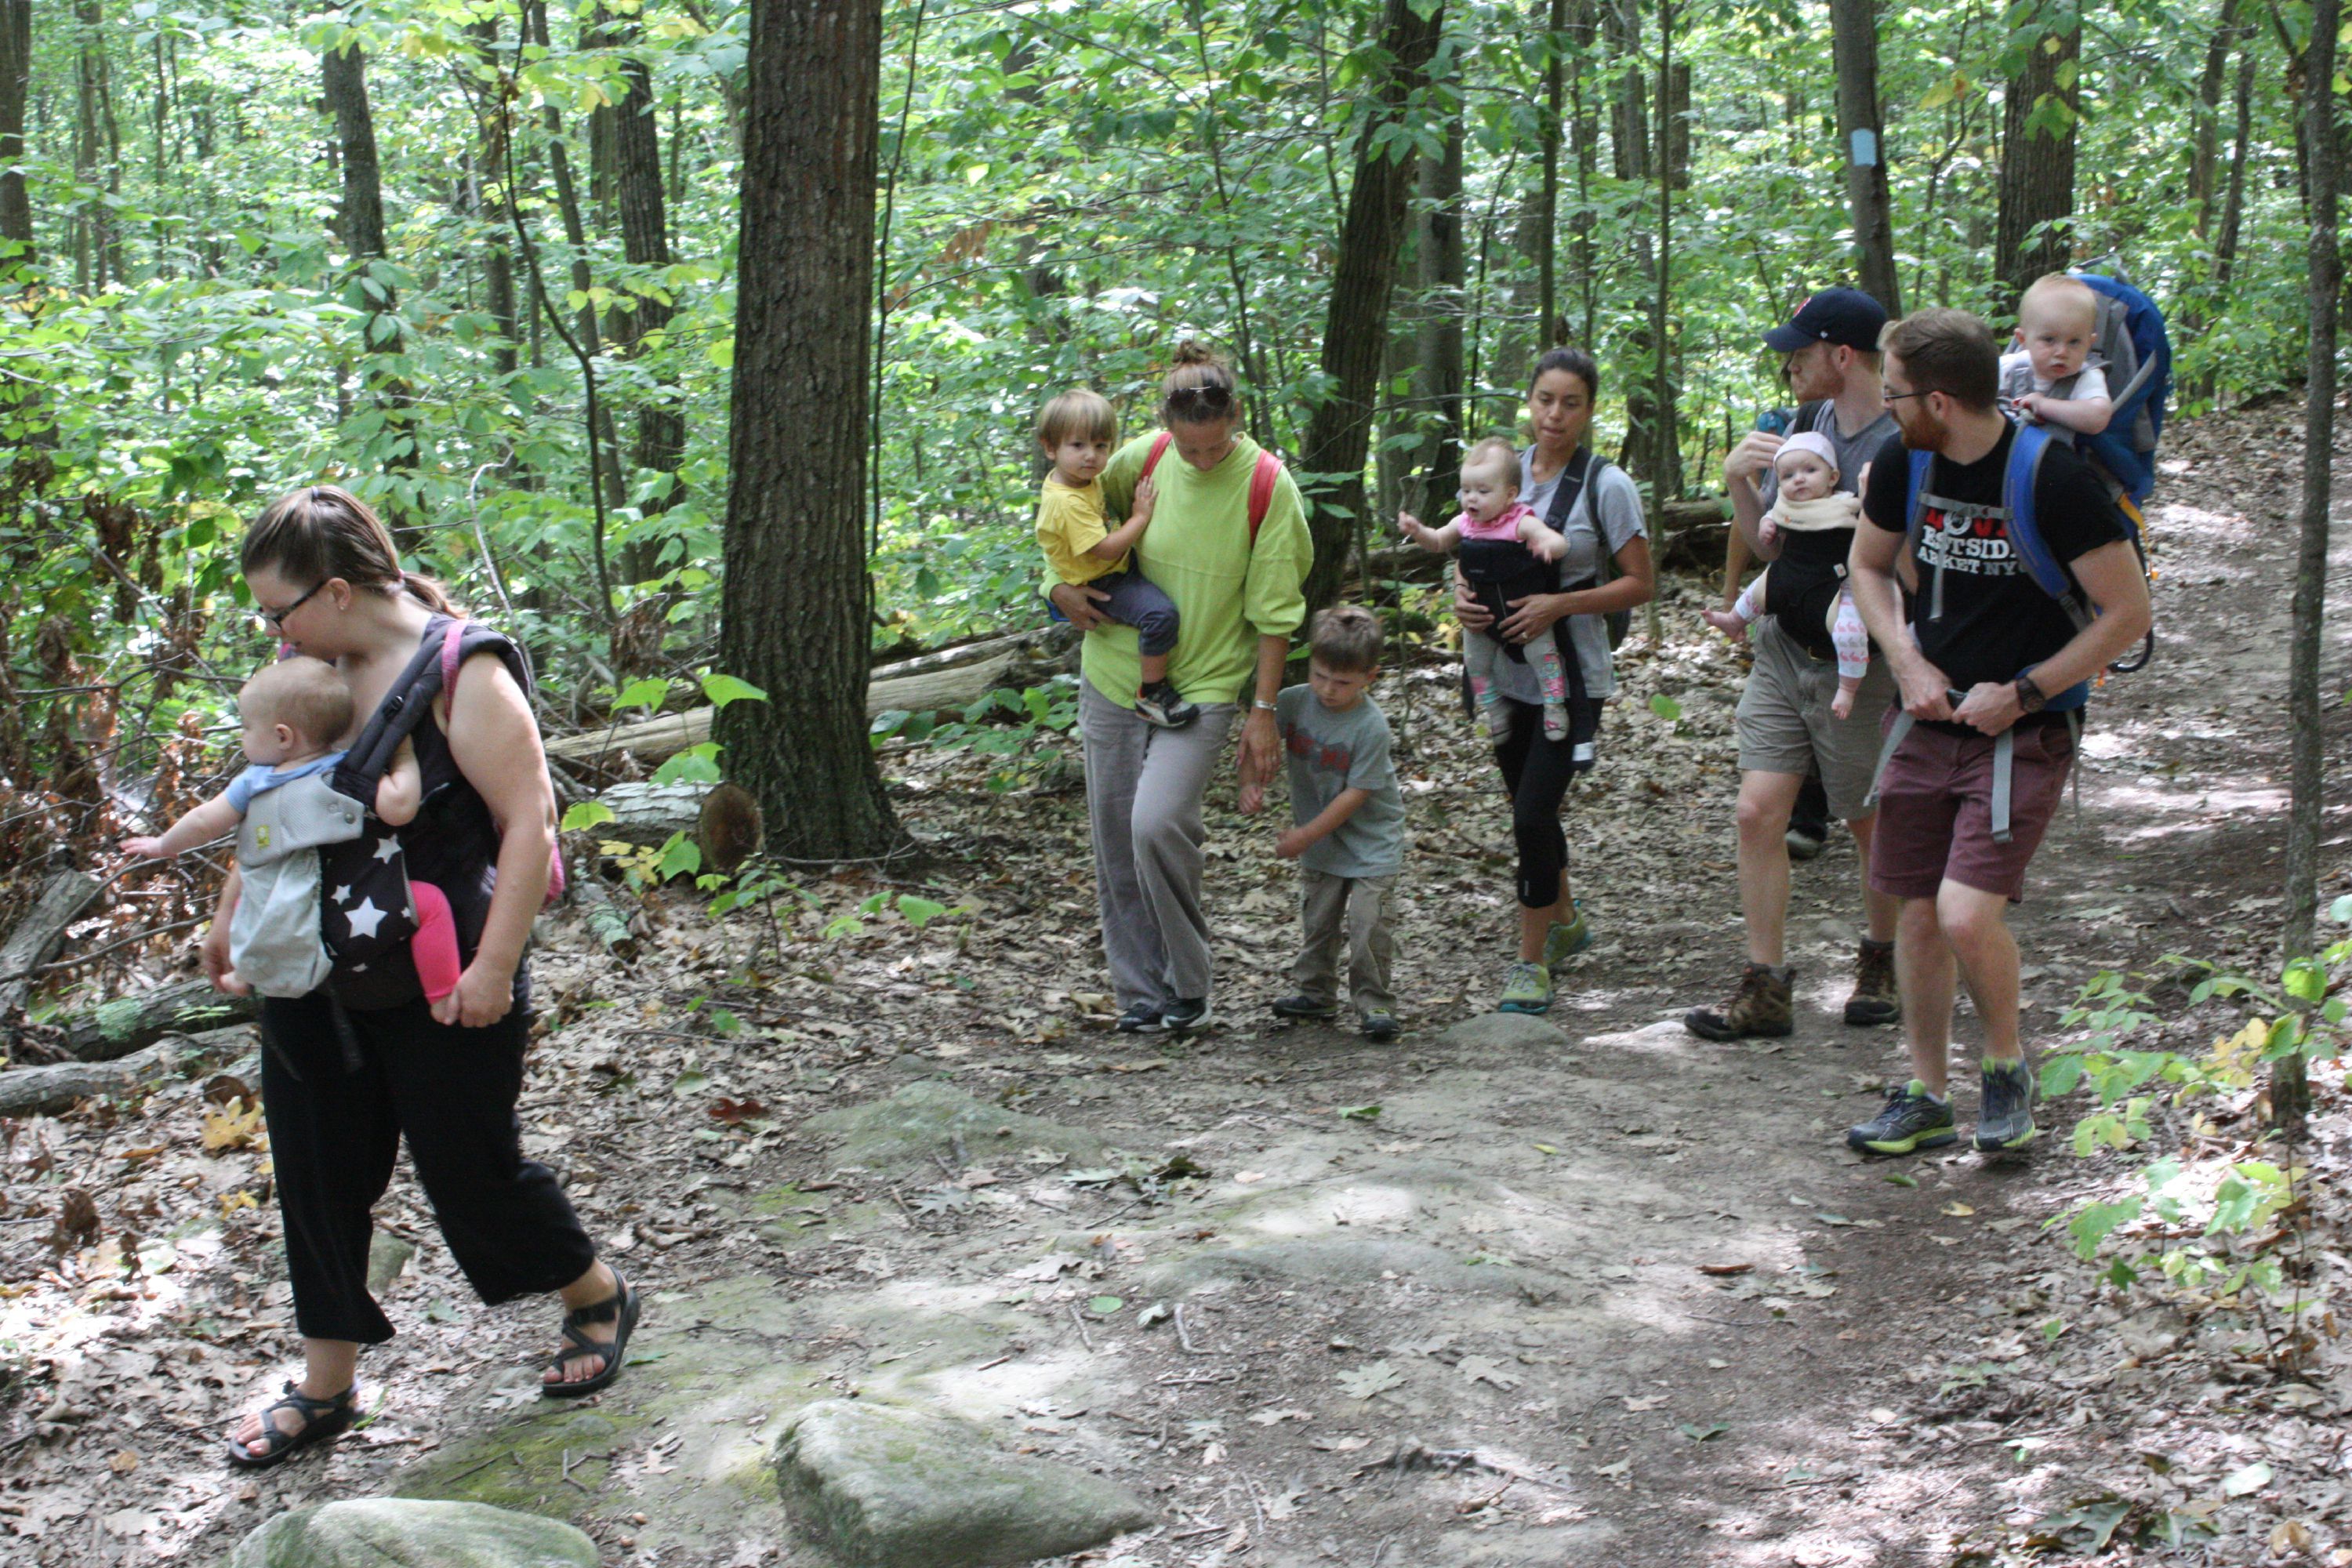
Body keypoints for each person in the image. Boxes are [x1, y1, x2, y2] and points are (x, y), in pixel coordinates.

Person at [212, 486, 633, 1470]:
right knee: (318, 1180)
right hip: (315, 976)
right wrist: (230, 909)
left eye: (280, 609)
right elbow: (280, 798)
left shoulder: (463, 669)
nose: (273, 630)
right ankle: (326, 1384)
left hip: (445, 973)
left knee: (470, 1173)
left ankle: (593, 1290)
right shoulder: (309, 667)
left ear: (343, 590)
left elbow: (530, 823)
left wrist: (494, 968)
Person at [1842, 309, 2150, 1156]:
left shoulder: (2053, 478)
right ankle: (1927, 1092)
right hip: (1926, 720)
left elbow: (2128, 613)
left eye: (1896, 390)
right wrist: (1904, 658)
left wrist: (2024, 691)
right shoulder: (1906, 457)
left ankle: (2006, 1071)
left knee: (1965, 914)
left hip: (2025, 730)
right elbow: (1868, 566)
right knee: (1915, 913)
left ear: (1938, 400)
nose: (1886, 405)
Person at [1049, 343, 1312, 1034]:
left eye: (1212, 448)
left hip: (1203, 686)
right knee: (1114, 839)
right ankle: (1142, 996)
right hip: (1113, 672)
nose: (1199, 460)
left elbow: (1277, 612)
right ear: (1169, 426)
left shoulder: (1267, 485)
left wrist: (1262, 711)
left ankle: (1188, 985)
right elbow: (1066, 525)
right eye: (1188, 449)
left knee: (1157, 822)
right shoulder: (1143, 455)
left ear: (1235, 420)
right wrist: (1056, 591)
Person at [1687, 286, 1903, 1041]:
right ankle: (1764, 985)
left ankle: (1884, 958)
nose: (1789, 370)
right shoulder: (1803, 430)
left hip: (1859, 660)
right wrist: (1741, 481)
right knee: (1756, 811)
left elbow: (1908, 567)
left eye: (1800, 355)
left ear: (1842, 356)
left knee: (1866, 817)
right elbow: (1772, 542)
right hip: (1783, 647)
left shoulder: (1900, 441)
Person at [1432, 347, 1653, 1016]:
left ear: (1590, 410)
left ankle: (1531, 964)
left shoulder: (1605, 485)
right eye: (1545, 400)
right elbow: (1470, 546)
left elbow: (1642, 583)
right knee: (1532, 814)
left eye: (1572, 403)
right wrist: (1461, 598)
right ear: (1529, 401)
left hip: (1571, 677)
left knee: (1532, 813)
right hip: (1501, 672)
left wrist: (1559, 605)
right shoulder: (1499, 470)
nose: (1555, 415)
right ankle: (1565, 920)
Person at [122, 659, 458, 1002]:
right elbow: (400, 807)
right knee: (431, 905)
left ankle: (248, 974)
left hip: (285, 919)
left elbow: (204, 821)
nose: (242, 736)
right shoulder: (351, 771)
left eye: (247, 727)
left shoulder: (255, 783)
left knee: (249, 903)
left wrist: (164, 844)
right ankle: (443, 994)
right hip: (357, 912)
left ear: (283, 736)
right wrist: (403, 755)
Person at [1244, 605, 1406, 1041]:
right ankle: (1315, 993)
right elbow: (1255, 738)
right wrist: (1249, 783)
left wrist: (1304, 835)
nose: (1328, 689)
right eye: (1320, 675)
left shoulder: (1370, 726)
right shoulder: (1295, 702)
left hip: (1371, 842)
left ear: (1370, 677)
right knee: (1318, 919)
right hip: (1322, 844)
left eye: (1343, 682)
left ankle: (1374, 1004)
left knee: (1368, 924)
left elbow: (1356, 794)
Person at [1032, 388, 1196, 728]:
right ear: (1050, 447)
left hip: (1109, 567)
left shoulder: (1079, 480)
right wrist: (1140, 517)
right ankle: (1151, 693)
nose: (1091, 456)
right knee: (1160, 616)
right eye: (1078, 446)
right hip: (1102, 578)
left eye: (1101, 446)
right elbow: (1106, 548)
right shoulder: (1066, 502)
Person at [1397, 436, 1576, 742]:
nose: (1472, 499)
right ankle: (1493, 709)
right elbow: (1438, 541)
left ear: (1510, 495)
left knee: (1543, 656)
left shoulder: (1519, 521)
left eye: (1482, 491)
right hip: (1481, 616)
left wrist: (1549, 545)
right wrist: (1418, 532)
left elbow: (1558, 542)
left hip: (1524, 612)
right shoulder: (1465, 523)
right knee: (1476, 663)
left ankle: (1554, 705)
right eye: (1466, 490)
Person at [1700, 433, 1875, 720]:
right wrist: (1766, 527)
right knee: (1756, 592)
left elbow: (1868, 527)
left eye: (1810, 471)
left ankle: (1848, 685)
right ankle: (1734, 620)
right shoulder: (1785, 505)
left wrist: (1868, 496)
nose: (1799, 479)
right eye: (1788, 475)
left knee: (1850, 631)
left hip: (1835, 583)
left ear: (1833, 478)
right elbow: (1770, 520)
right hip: (1788, 576)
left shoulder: (1844, 503)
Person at [1998, 274, 2114, 446]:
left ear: (2089, 344)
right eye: (2049, 340)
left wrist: (2043, 405)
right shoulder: (2008, 367)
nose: (2062, 352)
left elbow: (2098, 418)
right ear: (2023, 340)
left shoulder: (2087, 378)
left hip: (2050, 465)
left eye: (2074, 342)